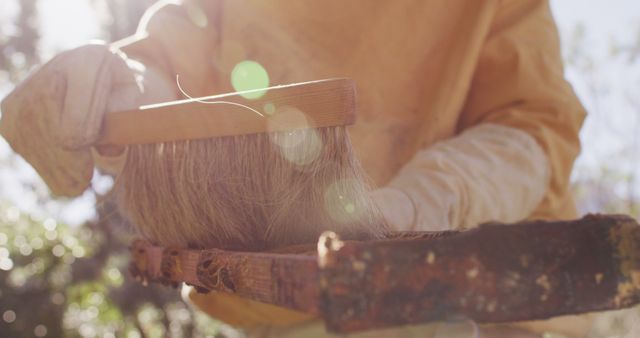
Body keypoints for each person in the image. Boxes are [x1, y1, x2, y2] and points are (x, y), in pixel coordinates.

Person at [0, 0, 588, 337]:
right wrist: (119, 88)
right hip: (289, 310)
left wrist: (428, 201)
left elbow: (534, 126)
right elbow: (169, 66)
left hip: (512, 302)